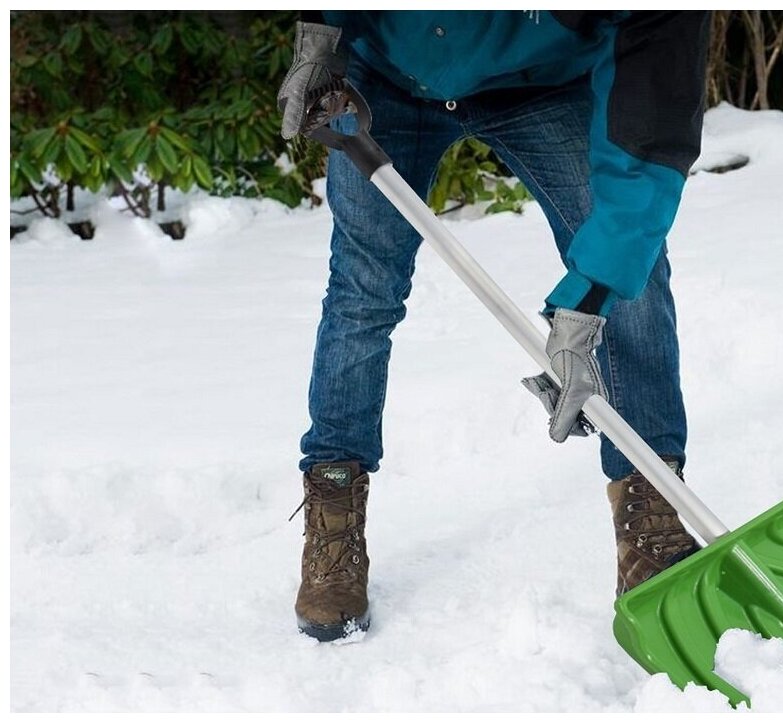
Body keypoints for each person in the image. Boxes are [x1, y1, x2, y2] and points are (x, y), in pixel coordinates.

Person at [278, 10, 710, 641]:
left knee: (632, 289)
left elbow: (647, 135)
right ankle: (334, 513)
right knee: (361, 294)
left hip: (542, 82)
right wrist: (324, 32)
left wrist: (590, 293)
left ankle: (652, 521)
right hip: (391, 78)